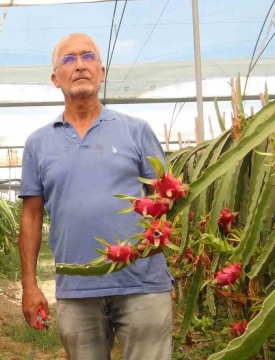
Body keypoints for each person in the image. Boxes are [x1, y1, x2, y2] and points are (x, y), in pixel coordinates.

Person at [18, 33, 173, 359]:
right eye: (68, 59)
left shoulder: (137, 130)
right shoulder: (38, 143)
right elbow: (31, 215)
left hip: (142, 283)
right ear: (55, 78)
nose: (80, 66)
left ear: (101, 72)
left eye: (88, 57)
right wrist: (29, 285)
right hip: (76, 288)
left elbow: (165, 197)